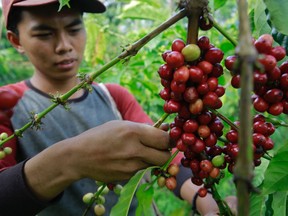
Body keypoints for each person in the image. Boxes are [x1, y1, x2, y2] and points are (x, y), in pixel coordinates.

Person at [0, 0, 236, 215]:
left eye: (73, 29)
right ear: (16, 40)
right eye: (44, 34)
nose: (64, 46)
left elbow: (164, 154)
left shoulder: (113, 96)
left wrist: (205, 201)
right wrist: (69, 160)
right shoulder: (7, 104)